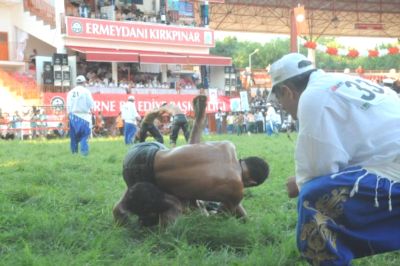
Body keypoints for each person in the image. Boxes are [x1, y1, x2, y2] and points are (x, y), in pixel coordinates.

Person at [268, 53, 400, 265]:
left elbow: (317, 173)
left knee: (313, 196)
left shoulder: (312, 96)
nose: (282, 107)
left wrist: (299, 184)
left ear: (286, 91)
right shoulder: (341, 80)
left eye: (279, 99)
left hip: (394, 170)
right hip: (391, 162)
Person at [113, 95, 270, 227]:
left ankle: (198, 120)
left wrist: (199, 122)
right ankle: (124, 206)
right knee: (177, 203)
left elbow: (193, 148)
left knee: (173, 163)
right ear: (251, 182)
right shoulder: (236, 191)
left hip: (139, 152)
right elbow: (219, 218)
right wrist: (242, 215)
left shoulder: (228, 146)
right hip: (144, 179)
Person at [66, 75, 94, 156]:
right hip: (84, 117)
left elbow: (68, 106)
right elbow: (91, 104)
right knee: (84, 136)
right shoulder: (86, 91)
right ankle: (84, 154)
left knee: (73, 137)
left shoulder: (70, 92)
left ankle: (74, 154)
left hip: (73, 116)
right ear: (84, 82)